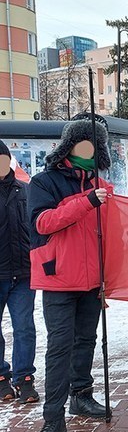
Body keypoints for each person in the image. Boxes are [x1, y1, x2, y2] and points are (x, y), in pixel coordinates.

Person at [28, 119, 112, 432]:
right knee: (59, 347)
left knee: (85, 341)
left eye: (94, 145)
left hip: (92, 281)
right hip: (59, 280)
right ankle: (53, 416)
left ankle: (82, 395)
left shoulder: (100, 185)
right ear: (68, 146)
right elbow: (43, 222)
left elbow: (113, 230)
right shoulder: (44, 182)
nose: (88, 150)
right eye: (82, 144)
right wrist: (86, 202)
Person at [0, 140, 38, 404]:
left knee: (24, 327)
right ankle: (1, 377)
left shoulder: (25, 189)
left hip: (23, 272)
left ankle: (24, 378)